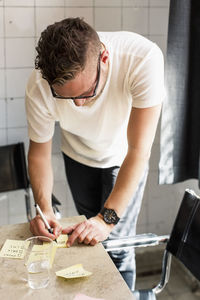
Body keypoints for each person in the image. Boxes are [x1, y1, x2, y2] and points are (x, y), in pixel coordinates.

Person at [25, 17, 164, 291]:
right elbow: (39, 154)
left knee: (117, 245)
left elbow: (139, 150)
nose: (78, 104)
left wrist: (106, 220)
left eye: (87, 93)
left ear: (105, 58)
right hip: (77, 157)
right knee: (89, 243)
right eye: (66, 98)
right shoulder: (39, 87)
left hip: (125, 158)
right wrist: (44, 209)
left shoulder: (142, 58)